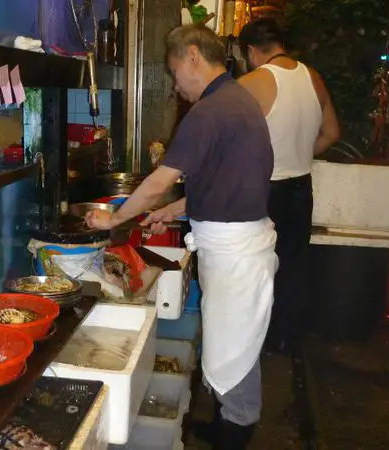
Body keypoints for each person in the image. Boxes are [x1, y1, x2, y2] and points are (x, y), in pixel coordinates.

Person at [85, 24, 278, 450]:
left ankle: (234, 434)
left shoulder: (209, 111)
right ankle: (225, 424)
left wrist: (115, 219)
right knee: (235, 347)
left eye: (174, 71)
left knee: (235, 357)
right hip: (238, 247)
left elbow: (158, 181)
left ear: (193, 55)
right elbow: (225, 182)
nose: (175, 84)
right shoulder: (237, 101)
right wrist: (170, 212)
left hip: (235, 256)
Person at [237, 18, 340, 353]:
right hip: (301, 187)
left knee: (256, 269)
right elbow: (331, 134)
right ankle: (286, 338)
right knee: (292, 266)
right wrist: (297, 153)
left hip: (265, 191)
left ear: (252, 51)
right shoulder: (314, 78)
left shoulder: (253, 81)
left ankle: (256, 342)